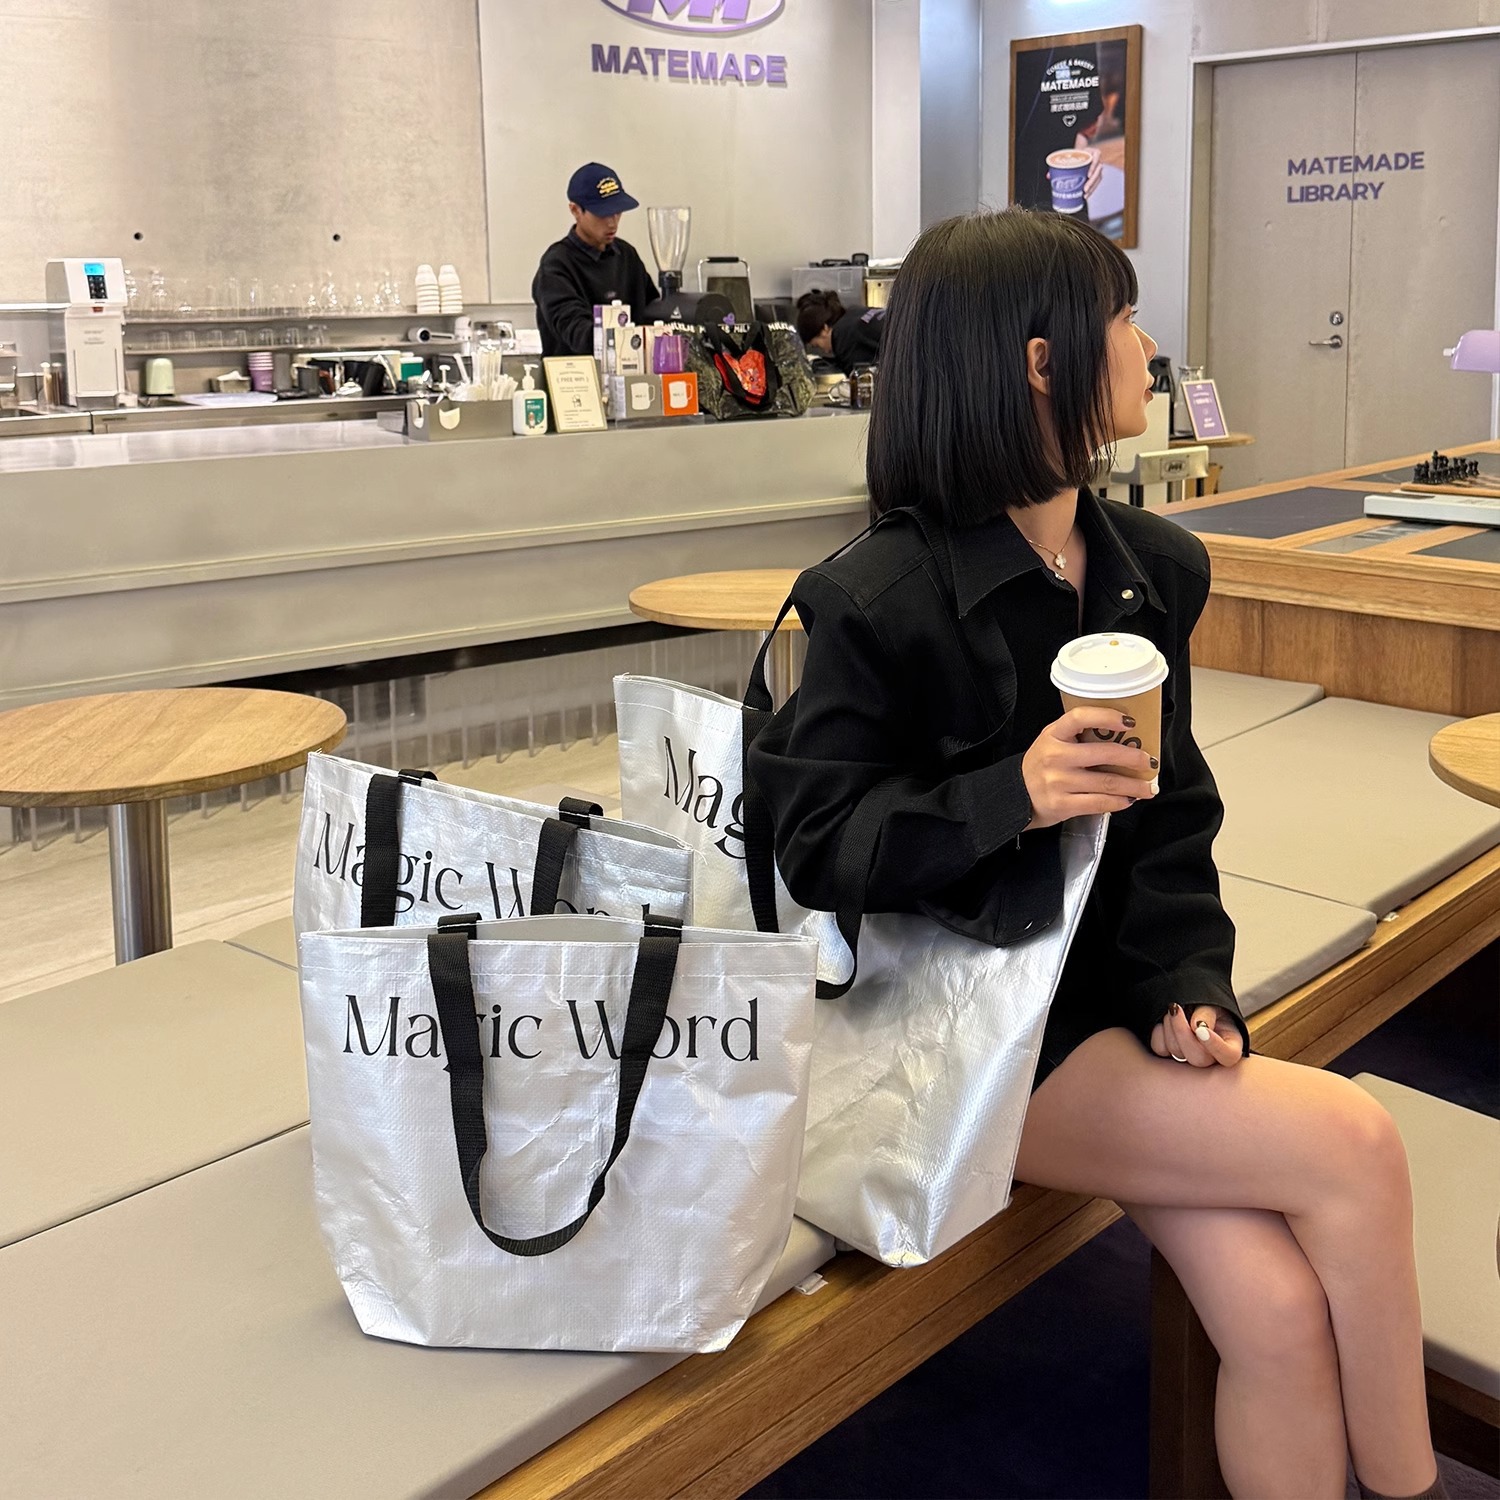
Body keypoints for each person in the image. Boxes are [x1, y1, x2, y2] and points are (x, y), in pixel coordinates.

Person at [749, 208, 1444, 1500]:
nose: (1147, 345)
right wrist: (1008, 796)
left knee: (1278, 1313)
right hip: (970, 1036)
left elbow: (1171, 821)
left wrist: (1189, 987)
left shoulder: (1148, 572)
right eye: (1123, 320)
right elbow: (817, 843)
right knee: (1358, 1146)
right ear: (1039, 363)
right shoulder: (879, 598)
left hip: (1107, 1013)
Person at [531, 163, 658, 358]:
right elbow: (576, 332)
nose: (612, 222)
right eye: (602, 214)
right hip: (574, 374)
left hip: (630, 371)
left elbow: (653, 310)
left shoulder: (626, 255)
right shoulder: (556, 265)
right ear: (575, 210)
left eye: (617, 212)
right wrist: (628, 340)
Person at [794, 289, 885, 375]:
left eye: (817, 345)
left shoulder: (843, 337)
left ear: (825, 329)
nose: (826, 351)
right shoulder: (854, 312)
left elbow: (856, 376)